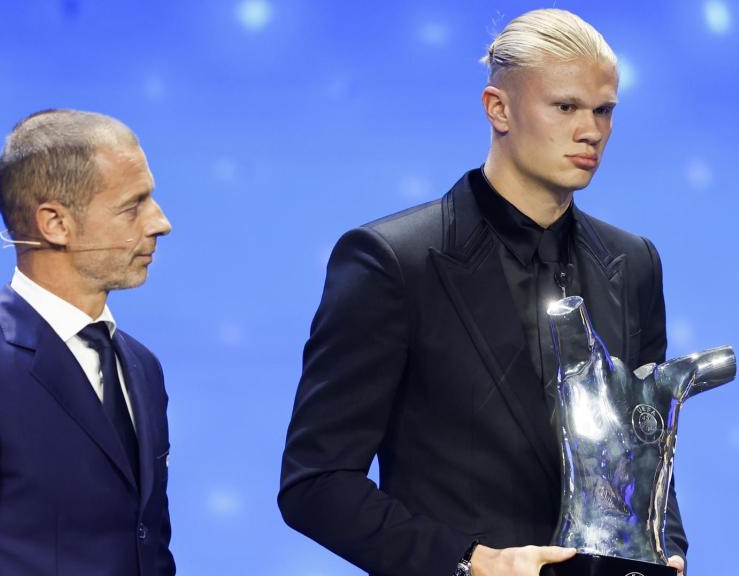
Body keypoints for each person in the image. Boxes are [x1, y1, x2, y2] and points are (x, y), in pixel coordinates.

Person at [278, 9, 688, 576]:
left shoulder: (633, 263)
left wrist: (665, 549)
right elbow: (316, 483)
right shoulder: (393, 261)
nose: (591, 130)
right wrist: (471, 563)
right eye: (566, 107)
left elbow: (646, 451)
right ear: (498, 109)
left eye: (604, 110)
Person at [0, 109, 175, 575]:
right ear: (55, 223)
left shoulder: (142, 367)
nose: (161, 222)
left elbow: (146, 543)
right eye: (133, 205)